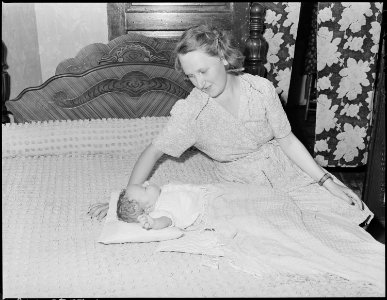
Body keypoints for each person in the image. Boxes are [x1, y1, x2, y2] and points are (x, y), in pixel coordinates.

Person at [88, 24, 372, 226]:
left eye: (203, 71)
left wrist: (325, 181)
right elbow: (152, 152)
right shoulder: (191, 113)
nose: (200, 83)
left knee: (347, 211)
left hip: (288, 169)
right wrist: (126, 200)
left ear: (223, 58)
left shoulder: (261, 89)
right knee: (289, 234)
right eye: (191, 76)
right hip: (243, 187)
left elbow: (286, 140)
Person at [116, 181, 205, 230]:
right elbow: (166, 220)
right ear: (148, 208)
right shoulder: (159, 211)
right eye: (145, 188)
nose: (146, 182)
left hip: (203, 195)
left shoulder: (161, 192)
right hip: (202, 212)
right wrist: (154, 223)